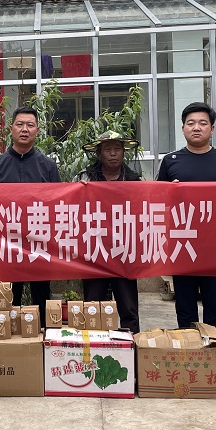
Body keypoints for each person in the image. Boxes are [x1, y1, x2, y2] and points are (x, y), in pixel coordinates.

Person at [156, 102, 216, 328]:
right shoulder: (170, 160)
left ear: (212, 129)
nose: (196, 128)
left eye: (203, 123)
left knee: (214, 304)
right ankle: (188, 342)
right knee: (185, 305)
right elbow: (157, 200)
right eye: (190, 123)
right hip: (182, 242)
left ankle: (215, 343)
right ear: (183, 128)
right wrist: (169, 192)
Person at [0, 106, 60, 321]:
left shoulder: (49, 167)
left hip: (40, 244)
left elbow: (58, 205)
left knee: (41, 298)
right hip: (6, 245)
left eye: (30, 125)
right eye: (20, 124)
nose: (24, 129)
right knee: (8, 300)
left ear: (37, 131)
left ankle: (42, 335)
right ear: (11, 129)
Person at [76, 130, 142, 333]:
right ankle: (94, 343)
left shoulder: (134, 180)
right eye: (107, 149)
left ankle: (131, 343)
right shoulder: (84, 178)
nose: (113, 153)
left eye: (117, 149)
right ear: (99, 154)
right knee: (93, 305)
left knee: (128, 306)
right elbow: (71, 209)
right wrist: (79, 190)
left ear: (123, 152)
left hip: (124, 252)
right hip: (94, 251)